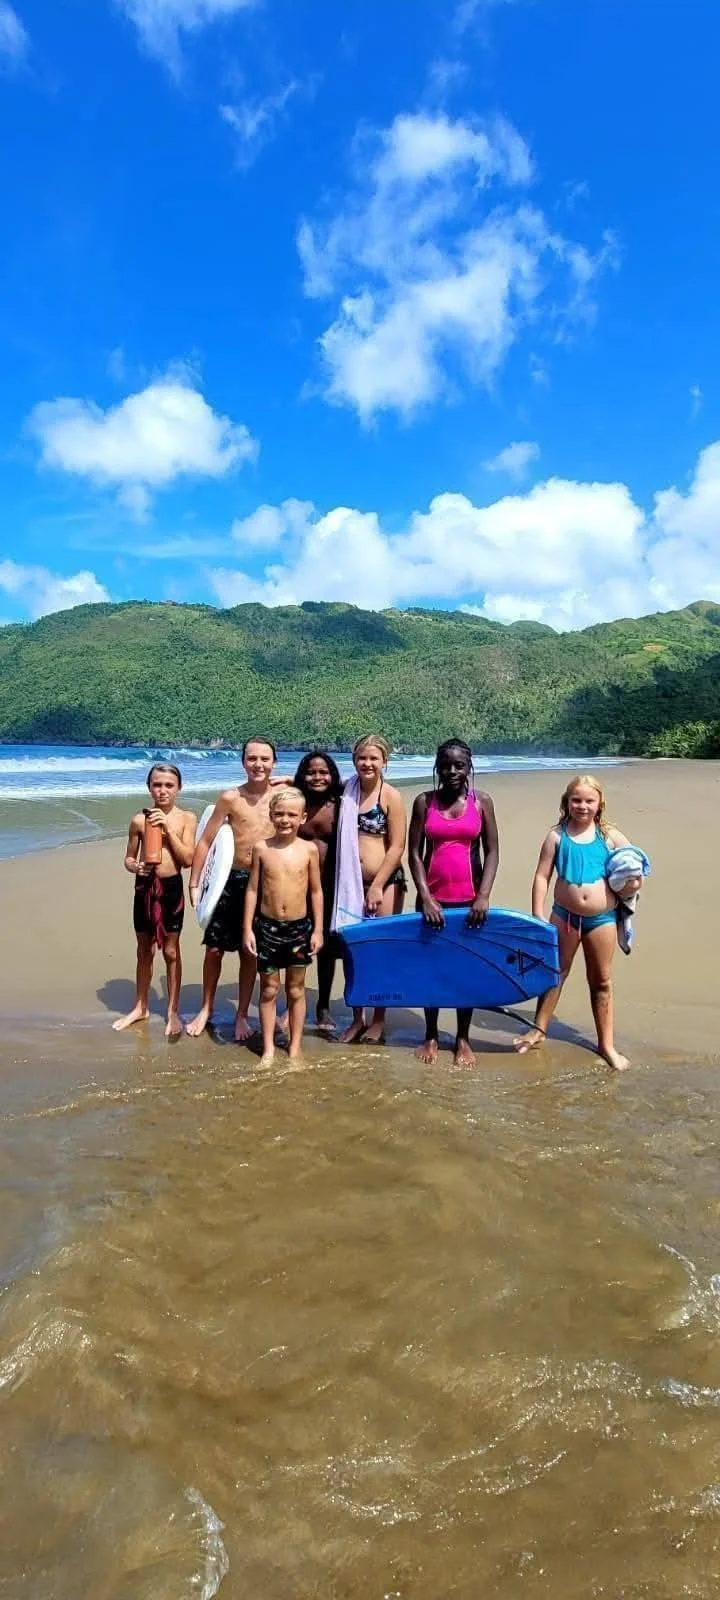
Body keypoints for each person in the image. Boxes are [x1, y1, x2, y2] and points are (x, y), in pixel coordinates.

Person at [514, 774, 642, 1071]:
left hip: (602, 920)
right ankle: (539, 1029)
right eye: (576, 800)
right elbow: (542, 875)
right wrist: (538, 913)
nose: (582, 806)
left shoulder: (609, 835)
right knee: (555, 973)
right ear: (566, 802)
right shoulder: (557, 835)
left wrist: (634, 885)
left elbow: (634, 866)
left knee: (601, 981)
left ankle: (606, 1044)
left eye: (589, 800)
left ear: (599, 804)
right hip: (564, 917)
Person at [409, 738, 500, 1067]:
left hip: (470, 901)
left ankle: (462, 1037)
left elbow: (492, 852)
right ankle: (431, 1033)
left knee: (466, 970)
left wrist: (484, 895)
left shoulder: (482, 802)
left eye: (458, 765)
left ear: (468, 766)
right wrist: (426, 896)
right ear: (437, 766)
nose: (451, 771)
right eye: (445, 764)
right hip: (433, 902)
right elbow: (414, 855)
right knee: (431, 968)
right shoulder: (424, 802)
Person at [187, 738, 277, 1040]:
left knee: (249, 951)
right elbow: (205, 841)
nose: (258, 765)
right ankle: (206, 1007)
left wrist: (290, 780)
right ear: (243, 762)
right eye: (252, 759)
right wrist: (195, 882)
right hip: (231, 880)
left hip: (265, 883)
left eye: (265, 759)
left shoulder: (282, 796)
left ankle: (241, 1015)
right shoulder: (230, 798)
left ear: (274, 763)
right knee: (214, 949)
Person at [332, 733, 407, 1045]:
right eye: (362, 757)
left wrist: (376, 886)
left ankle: (378, 1020)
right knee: (353, 953)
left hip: (385, 883)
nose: (367, 763)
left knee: (380, 951)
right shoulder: (345, 792)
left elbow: (397, 846)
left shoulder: (390, 797)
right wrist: (283, 780)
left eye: (374, 758)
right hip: (350, 884)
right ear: (354, 761)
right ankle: (357, 1018)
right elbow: (312, 788)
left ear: (384, 762)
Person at [113, 763, 197, 1038]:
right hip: (144, 888)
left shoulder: (187, 818)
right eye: (157, 785)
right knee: (144, 950)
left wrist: (167, 830)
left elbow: (187, 859)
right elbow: (128, 857)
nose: (162, 791)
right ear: (149, 787)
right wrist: (134, 866)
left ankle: (172, 1011)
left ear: (179, 788)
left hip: (171, 888)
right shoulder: (139, 820)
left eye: (169, 785)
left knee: (171, 951)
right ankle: (141, 1006)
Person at [243, 786, 323, 1066]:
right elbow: (252, 889)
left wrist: (318, 930)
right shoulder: (262, 848)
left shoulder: (309, 850)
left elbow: (316, 892)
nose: (285, 820)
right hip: (267, 928)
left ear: (303, 817)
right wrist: (247, 928)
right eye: (279, 814)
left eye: (292, 814)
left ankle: (295, 1047)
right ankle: (267, 1049)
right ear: (271, 815)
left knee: (296, 989)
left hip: (300, 928)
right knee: (267, 989)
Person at [293, 750, 343, 1032]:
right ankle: (292, 1002)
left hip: (331, 887)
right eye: (311, 772)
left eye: (323, 772)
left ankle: (323, 1005)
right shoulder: (295, 804)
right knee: (296, 945)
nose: (317, 777)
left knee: (326, 949)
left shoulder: (340, 804)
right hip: (298, 887)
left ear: (333, 776)